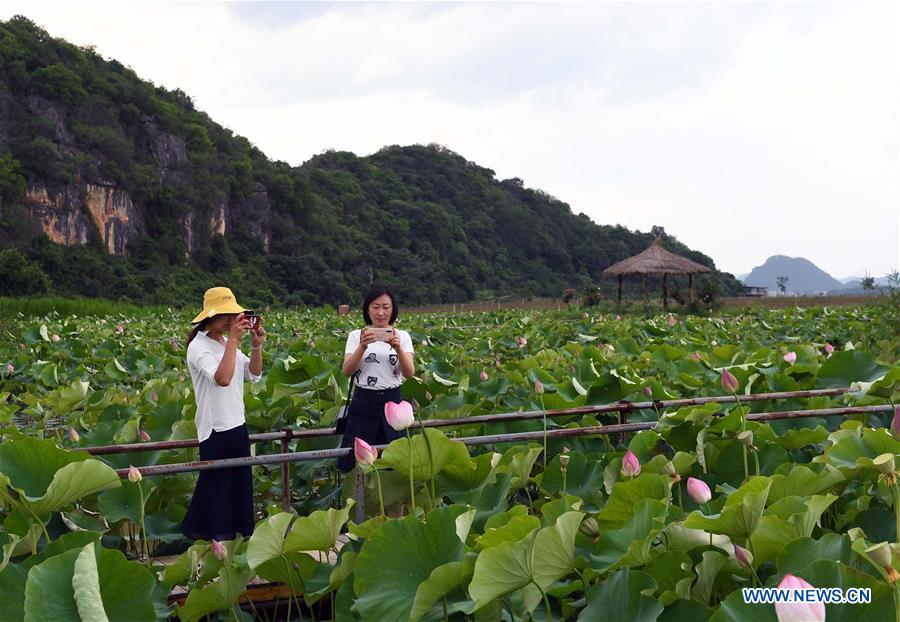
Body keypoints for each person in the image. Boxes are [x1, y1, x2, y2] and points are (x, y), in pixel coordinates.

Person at [181, 287, 266, 541]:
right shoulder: (199, 346)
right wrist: (233, 340)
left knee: (238, 492)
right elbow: (223, 378)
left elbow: (253, 374)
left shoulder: (223, 342)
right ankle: (207, 545)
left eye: (234, 314)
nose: (231, 320)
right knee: (216, 495)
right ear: (209, 316)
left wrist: (255, 346)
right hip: (215, 429)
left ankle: (230, 547)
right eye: (225, 315)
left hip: (237, 426)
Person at [337, 286, 415, 472]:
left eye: (386, 307)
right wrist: (363, 346)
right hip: (364, 400)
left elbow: (409, 372)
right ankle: (359, 498)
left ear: (393, 309)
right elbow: (347, 371)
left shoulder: (402, 336)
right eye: (375, 307)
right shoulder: (356, 336)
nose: (381, 312)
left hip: (393, 401)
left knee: (395, 461)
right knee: (358, 461)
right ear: (368, 309)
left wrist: (398, 348)